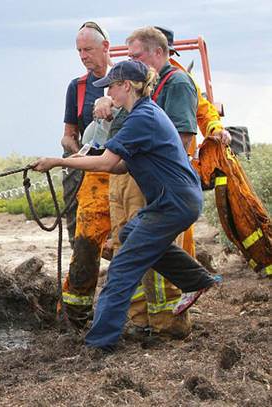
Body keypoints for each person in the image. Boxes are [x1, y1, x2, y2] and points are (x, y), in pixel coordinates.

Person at [33, 59, 220, 350]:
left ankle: (99, 343)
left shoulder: (141, 118)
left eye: (111, 87)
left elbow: (107, 162)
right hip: (172, 200)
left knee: (121, 269)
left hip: (174, 202)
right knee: (130, 233)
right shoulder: (141, 115)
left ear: (127, 86)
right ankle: (197, 279)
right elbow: (119, 166)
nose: (107, 93)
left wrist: (58, 161)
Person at [94, 26, 207, 338]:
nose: (134, 61)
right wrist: (105, 106)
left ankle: (168, 324)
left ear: (159, 52)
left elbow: (181, 140)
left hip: (156, 187)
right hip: (132, 179)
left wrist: (153, 180)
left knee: (145, 254)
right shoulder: (139, 95)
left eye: (136, 56)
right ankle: (142, 320)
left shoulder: (178, 83)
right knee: (128, 245)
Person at [59, 21, 113, 328]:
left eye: (88, 50)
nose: (83, 56)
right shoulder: (77, 88)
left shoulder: (127, 79)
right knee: (82, 242)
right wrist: (74, 151)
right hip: (86, 171)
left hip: (120, 172)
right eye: (79, 51)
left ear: (105, 47)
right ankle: (76, 314)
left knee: (125, 240)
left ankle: (127, 307)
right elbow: (68, 134)